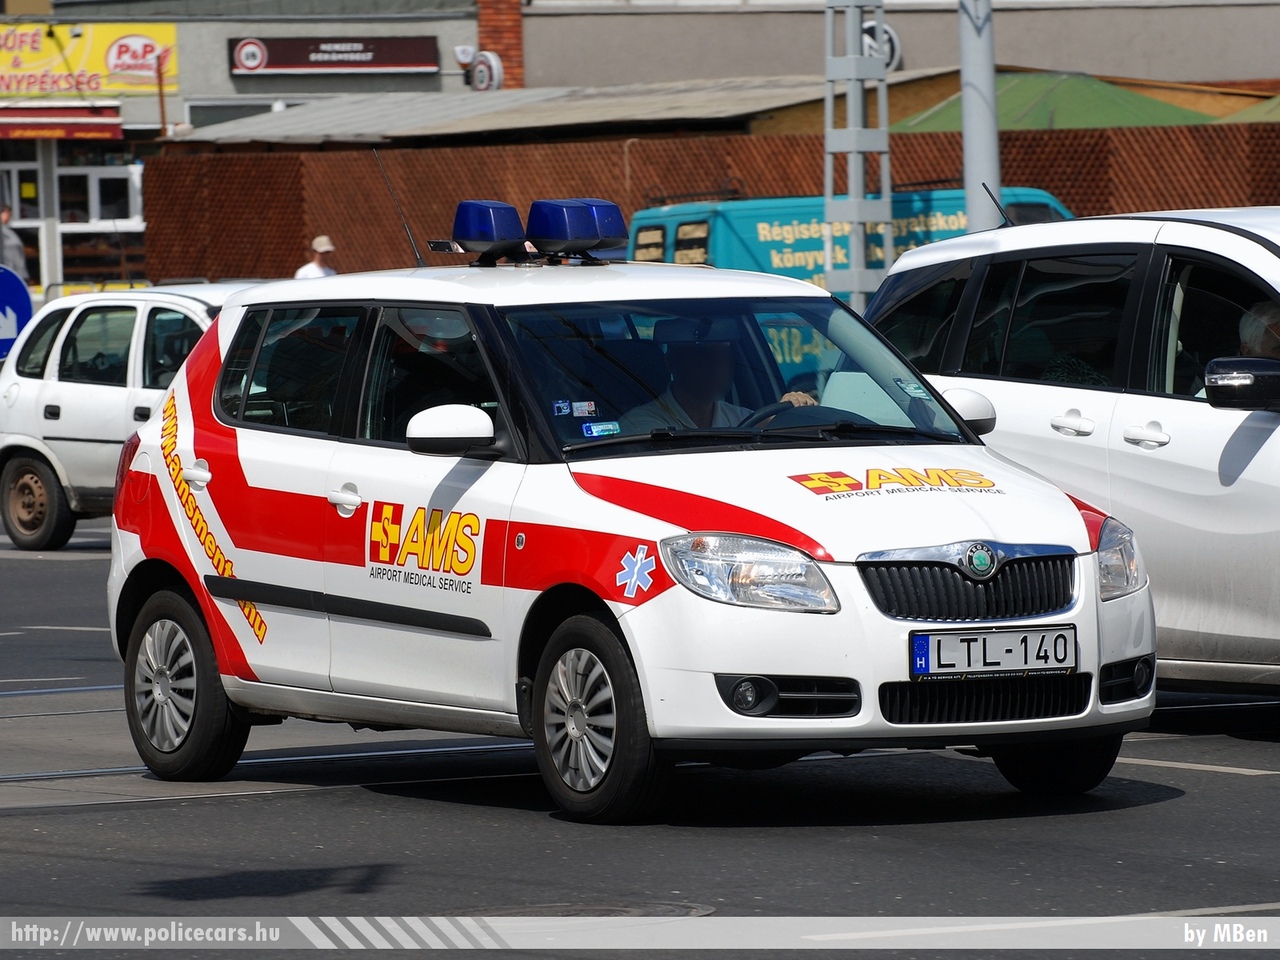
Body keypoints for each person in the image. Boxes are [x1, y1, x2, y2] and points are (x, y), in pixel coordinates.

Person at [621, 319, 816, 432]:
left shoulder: (740, 417)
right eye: (704, 356)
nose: (718, 366)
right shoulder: (641, 424)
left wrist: (792, 411)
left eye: (724, 356)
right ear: (672, 363)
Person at [1, 204, 29, 282]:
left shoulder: (9, 232)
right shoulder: (4, 233)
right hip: (7, 274)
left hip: (15, 274)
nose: (9, 216)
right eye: (7, 213)